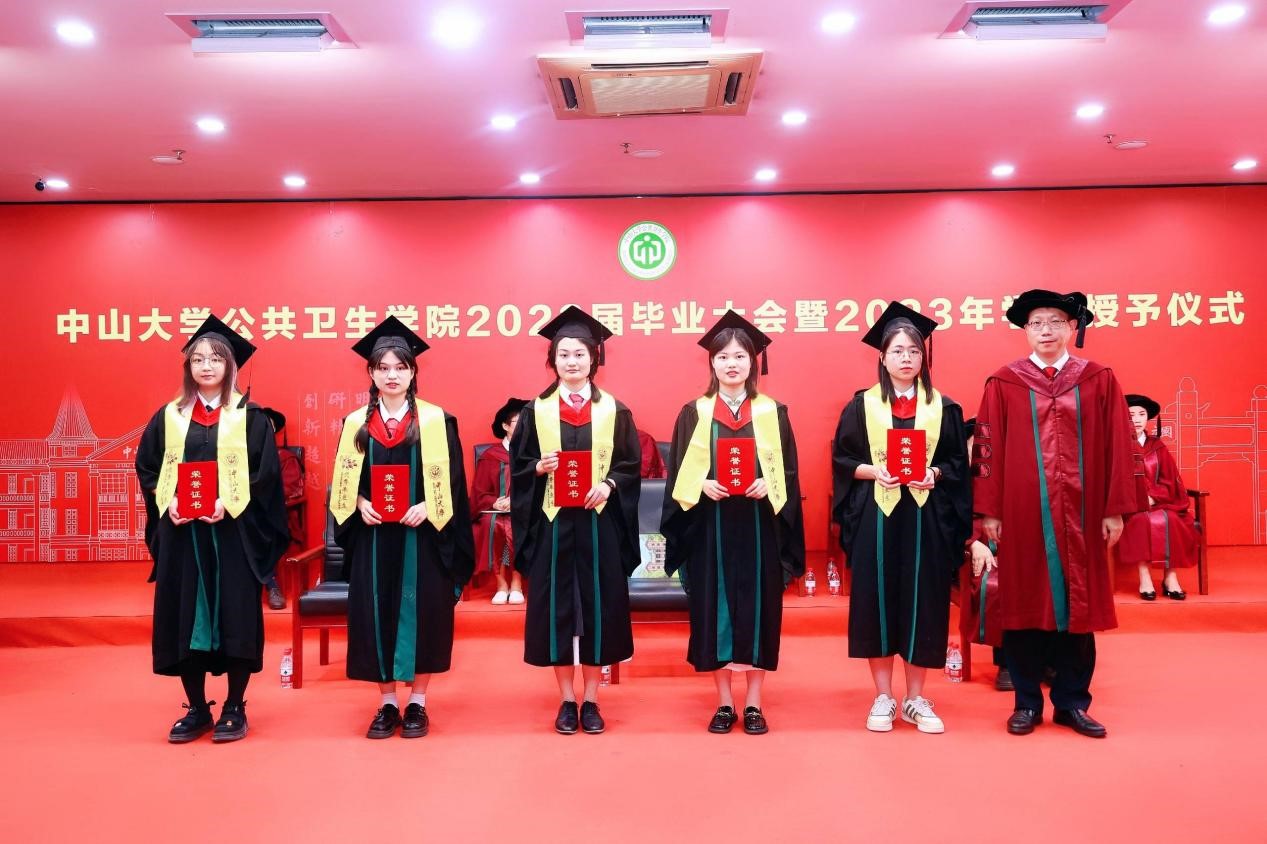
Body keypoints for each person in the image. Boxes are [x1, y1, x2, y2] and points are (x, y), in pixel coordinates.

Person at [973, 289, 1142, 738]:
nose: (1045, 330)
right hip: (1022, 514)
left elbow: (1120, 445)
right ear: (1025, 331)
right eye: (1036, 323)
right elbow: (987, 452)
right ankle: (1026, 703)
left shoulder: (1098, 379)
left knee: (1078, 608)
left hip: (1083, 516)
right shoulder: (1005, 382)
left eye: (1054, 322)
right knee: (1023, 606)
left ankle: (1071, 703)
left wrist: (1115, 509)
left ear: (1072, 328)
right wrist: (990, 511)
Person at [135, 315, 290, 743]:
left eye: (215, 359)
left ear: (230, 366)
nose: (206, 366)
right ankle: (198, 708)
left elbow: (266, 475)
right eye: (198, 359)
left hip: (233, 534)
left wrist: (229, 503)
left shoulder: (250, 417)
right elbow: (147, 468)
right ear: (188, 366)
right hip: (183, 534)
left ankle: (235, 706)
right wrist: (169, 502)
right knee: (185, 614)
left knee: (236, 612)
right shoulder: (169, 417)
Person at [330, 317, 475, 739]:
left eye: (400, 367)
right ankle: (387, 703)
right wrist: (359, 504)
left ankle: (418, 703)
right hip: (373, 537)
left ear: (413, 372)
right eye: (383, 368)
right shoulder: (355, 424)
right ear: (371, 373)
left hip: (423, 538)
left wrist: (430, 505)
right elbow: (344, 484)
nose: (392, 375)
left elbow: (455, 484)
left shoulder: (436, 421)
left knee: (423, 614)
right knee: (376, 614)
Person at [661, 311, 805, 735]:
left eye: (740, 356)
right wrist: (700, 484)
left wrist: (769, 483)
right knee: (714, 611)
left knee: (760, 611)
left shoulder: (772, 412)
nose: (731, 364)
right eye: (723, 356)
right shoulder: (694, 412)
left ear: (753, 362)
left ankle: (755, 703)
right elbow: (678, 472)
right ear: (712, 362)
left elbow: (789, 472)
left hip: (760, 526)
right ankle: (724, 703)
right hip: (711, 528)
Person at [832, 302, 971, 734]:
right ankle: (883, 696)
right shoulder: (862, 406)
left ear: (923, 357)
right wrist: (873, 470)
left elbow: (956, 464)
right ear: (882, 356)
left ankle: (915, 698)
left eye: (914, 351)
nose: (906, 358)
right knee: (876, 600)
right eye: (897, 350)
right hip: (876, 514)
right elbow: (842, 461)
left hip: (926, 519)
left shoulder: (944, 408)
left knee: (923, 601)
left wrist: (935, 473)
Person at [509, 306, 641, 735]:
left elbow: (630, 465)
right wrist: (538, 468)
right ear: (552, 359)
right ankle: (567, 699)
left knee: (599, 607)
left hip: (599, 523)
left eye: (579, 354)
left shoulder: (615, 411)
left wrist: (610, 484)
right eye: (563, 354)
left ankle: (593, 700)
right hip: (553, 524)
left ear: (594, 358)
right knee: (558, 611)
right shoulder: (536, 411)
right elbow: (519, 467)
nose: (571, 361)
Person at [1119, 394, 1198, 600]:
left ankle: (1170, 577)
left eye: (1141, 414)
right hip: (1130, 506)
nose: (1137, 419)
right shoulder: (1116, 447)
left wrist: (1153, 497)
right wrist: (1136, 499)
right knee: (1140, 520)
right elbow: (1113, 481)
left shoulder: (1158, 447)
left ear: (1148, 418)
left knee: (1172, 519)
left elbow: (1169, 480)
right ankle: (1144, 577)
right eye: (1131, 415)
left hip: (1160, 502)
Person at [471, 398, 528, 604]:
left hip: (523, 511)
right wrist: (494, 502)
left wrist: (516, 501)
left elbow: (539, 489)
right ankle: (501, 584)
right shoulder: (490, 456)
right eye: (518, 423)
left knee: (517, 526)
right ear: (505, 426)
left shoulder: (531, 455)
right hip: (494, 512)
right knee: (492, 525)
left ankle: (516, 583)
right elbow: (478, 492)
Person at [260, 406, 304, 610]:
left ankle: (273, 586)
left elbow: (291, 489)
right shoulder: (241, 458)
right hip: (244, 513)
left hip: (276, 514)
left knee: (265, 529)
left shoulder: (285, 457)